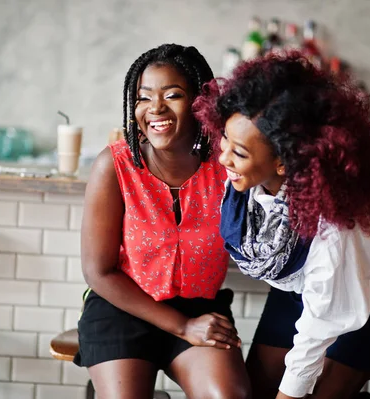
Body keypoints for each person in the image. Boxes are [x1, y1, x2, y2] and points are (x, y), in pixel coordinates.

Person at [193, 52, 370, 399]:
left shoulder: (331, 224)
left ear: (284, 163)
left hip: (355, 298)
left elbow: (319, 324)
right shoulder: (244, 182)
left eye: (239, 152)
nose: (224, 157)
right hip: (294, 296)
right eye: (225, 140)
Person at [75, 43, 251, 399]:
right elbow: (99, 273)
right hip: (122, 308)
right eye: (143, 97)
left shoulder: (227, 165)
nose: (155, 108)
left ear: (200, 103)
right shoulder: (115, 165)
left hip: (200, 308)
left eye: (172, 95)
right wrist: (181, 325)